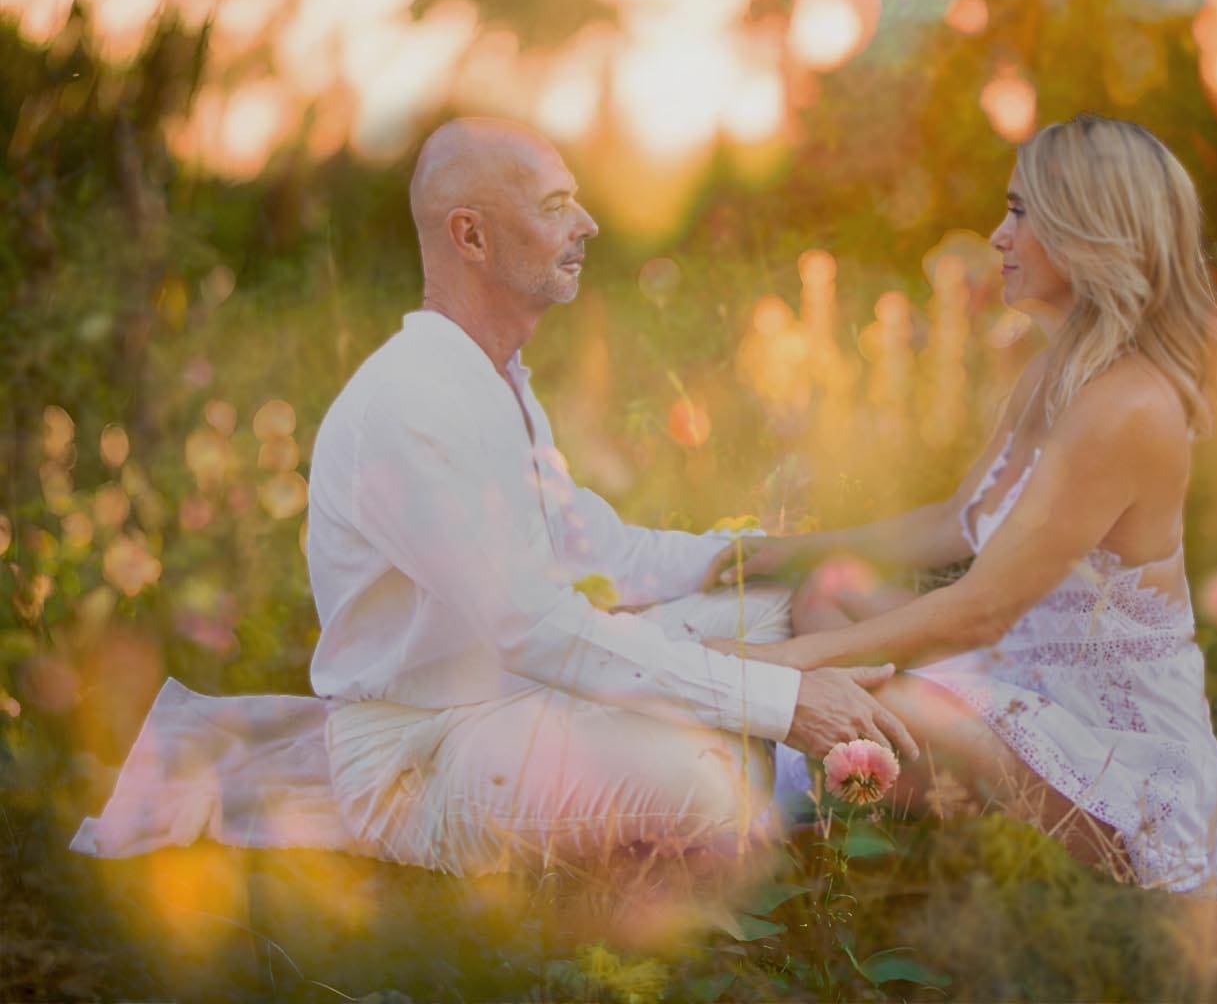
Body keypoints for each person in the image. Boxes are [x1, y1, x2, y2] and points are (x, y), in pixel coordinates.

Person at [72, 118, 918, 879]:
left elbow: (600, 553)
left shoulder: (496, 379)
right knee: (706, 786)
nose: (586, 225)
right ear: (469, 237)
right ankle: (804, 817)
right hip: (427, 748)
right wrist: (777, 701)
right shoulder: (410, 406)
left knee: (776, 605)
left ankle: (837, 785)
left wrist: (750, 556)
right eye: (555, 207)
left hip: (528, 693)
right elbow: (539, 627)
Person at [702, 114, 1217, 914]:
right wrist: (790, 549)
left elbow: (979, 611)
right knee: (829, 592)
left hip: (1112, 750)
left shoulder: (1128, 405)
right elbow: (960, 521)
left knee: (868, 685)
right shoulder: (1057, 371)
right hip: (1025, 685)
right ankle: (893, 810)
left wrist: (777, 663)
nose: (997, 235)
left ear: (1090, 230)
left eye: (1021, 212)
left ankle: (825, 846)